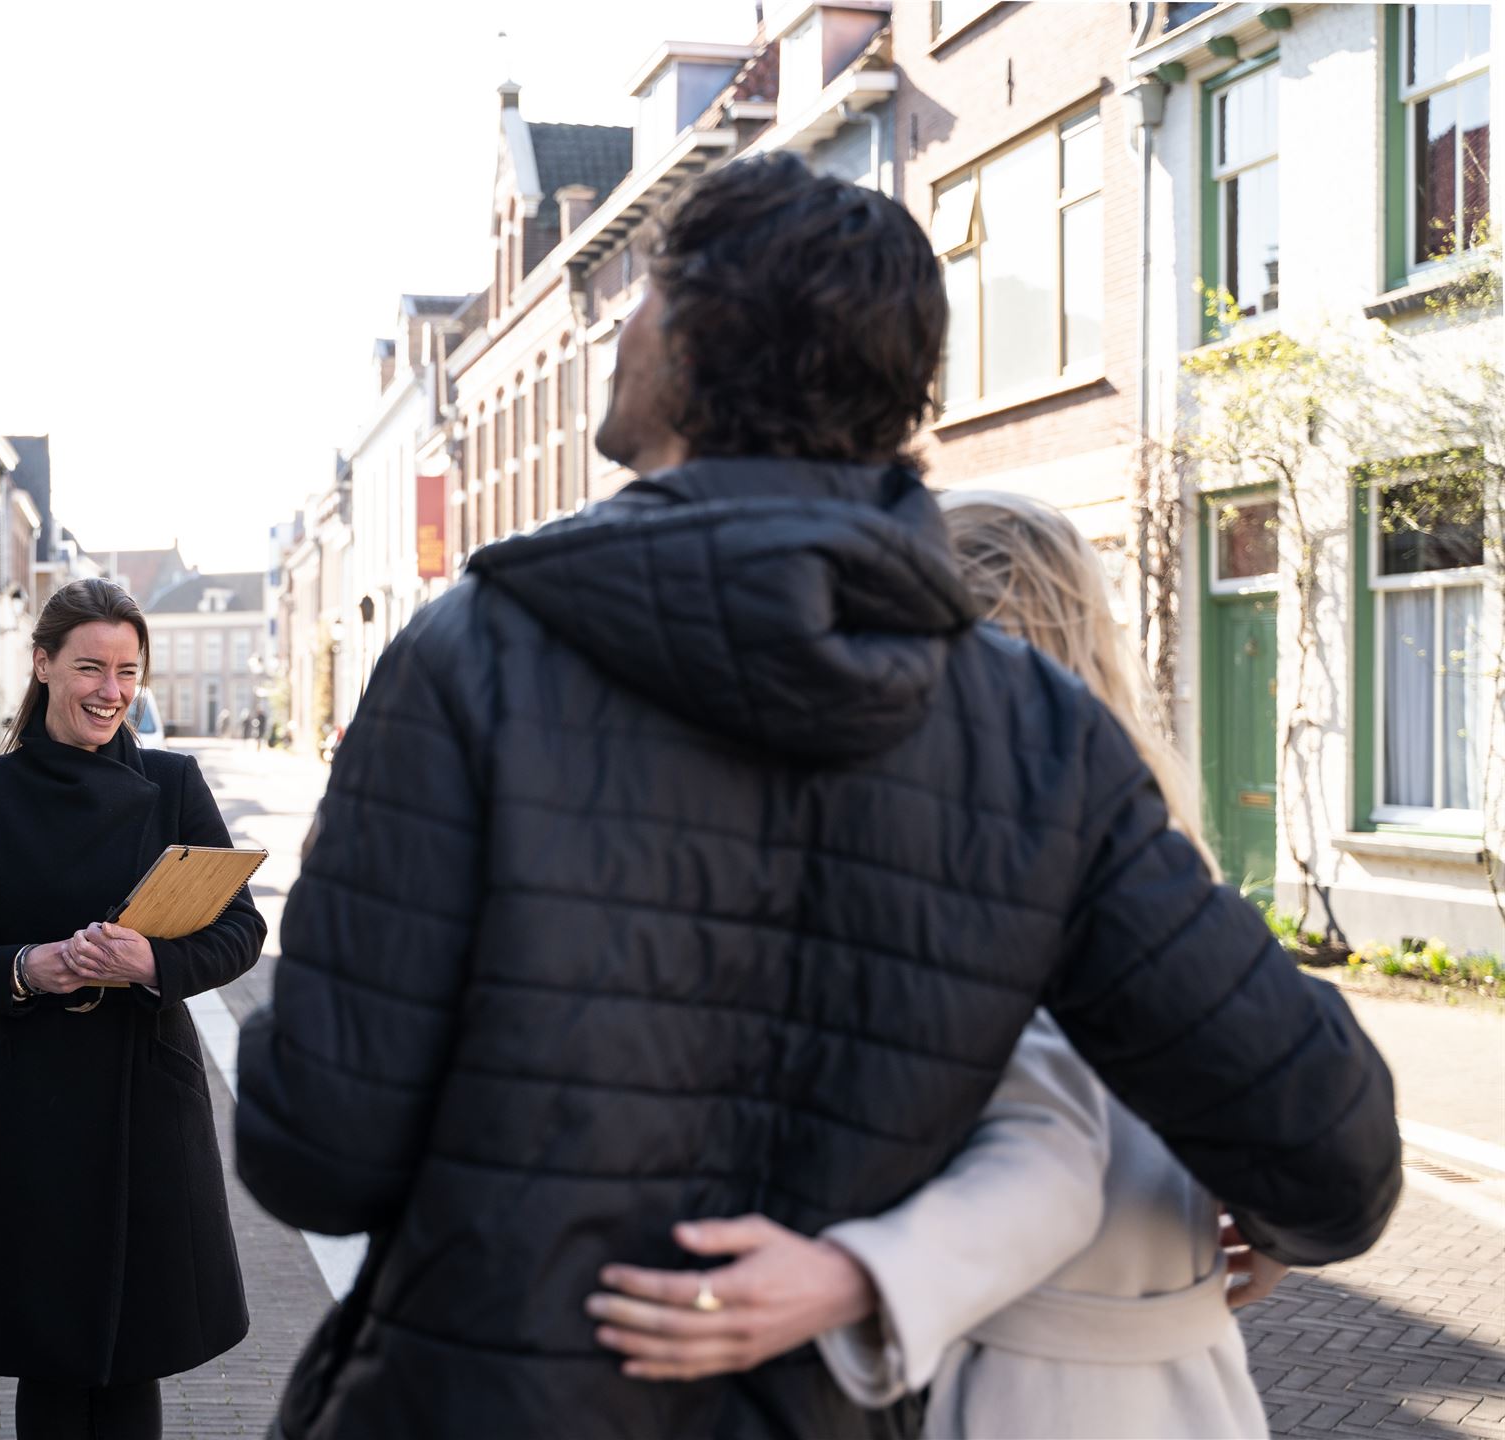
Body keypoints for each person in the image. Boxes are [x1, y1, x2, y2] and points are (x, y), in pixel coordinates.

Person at [233, 151, 1400, 1440]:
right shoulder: (1037, 734)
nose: (622, 326)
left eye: (649, 291)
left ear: (695, 338)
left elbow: (313, 1150)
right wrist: (1268, 1220)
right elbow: (1330, 1154)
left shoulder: (469, 661)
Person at [590, 493, 1282, 1437]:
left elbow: (1045, 1153)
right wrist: (1268, 1240)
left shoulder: (966, 859)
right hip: (1185, 1388)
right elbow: (1287, 1122)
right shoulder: (1169, 858)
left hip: (992, 1386)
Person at [0, 578, 266, 1440]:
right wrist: (33, 968)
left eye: (127, 671)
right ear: (42, 664)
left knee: (134, 1346)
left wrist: (155, 960)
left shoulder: (176, 784)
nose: (111, 690)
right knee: (52, 1350)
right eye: (90, 667)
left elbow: (243, 928)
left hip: (145, 1090)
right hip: (29, 1099)